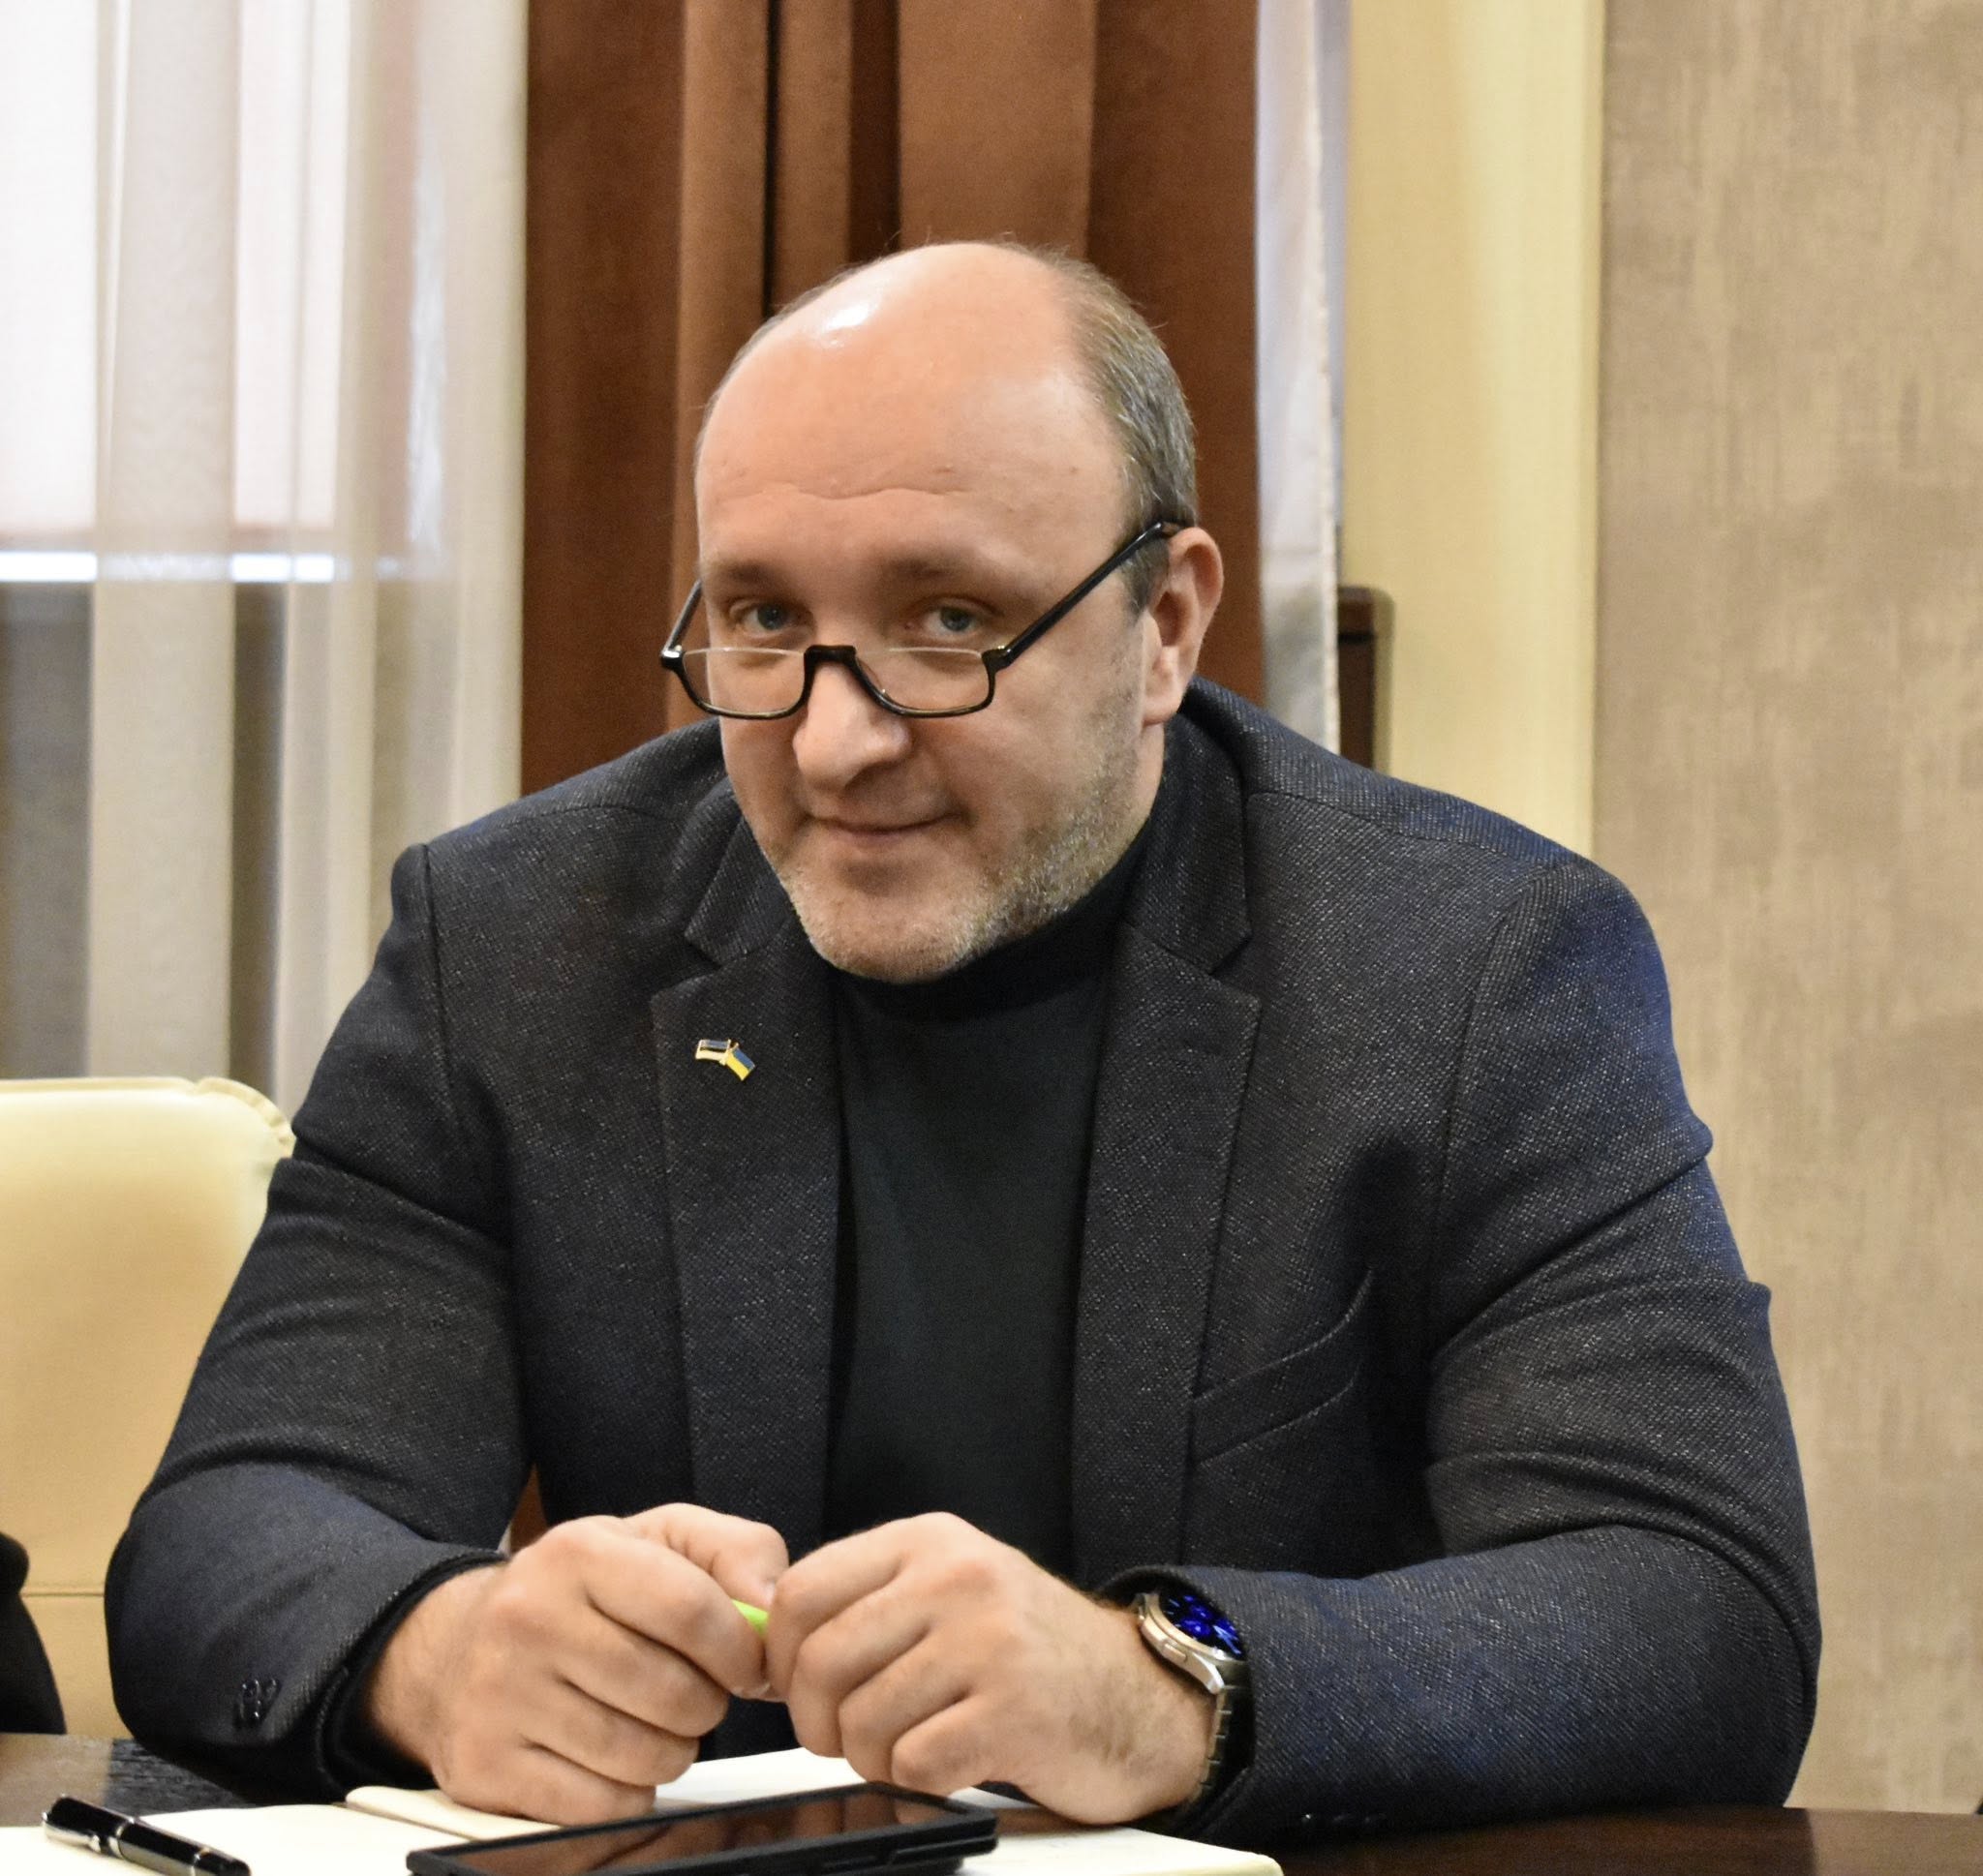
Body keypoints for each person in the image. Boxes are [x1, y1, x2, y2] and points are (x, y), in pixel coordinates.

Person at [107, 242, 1817, 1848]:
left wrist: (1168, 1684)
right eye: (762, 620)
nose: (835, 742)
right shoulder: (514, 946)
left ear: (1165, 626)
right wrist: (439, 1647)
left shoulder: (1473, 970)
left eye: (946, 622)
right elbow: (227, 1530)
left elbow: (1694, 1605)